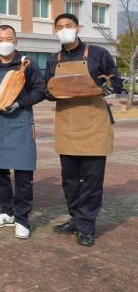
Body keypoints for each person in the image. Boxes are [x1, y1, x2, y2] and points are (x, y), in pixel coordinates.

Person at [44, 13, 121, 246]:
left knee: (91, 180)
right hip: (67, 124)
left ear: (78, 28)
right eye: (60, 27)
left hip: (94, 124)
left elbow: (116, 82)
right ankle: (76, 219)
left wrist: (109, 88)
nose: (64, 29)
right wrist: (50, 92)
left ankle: (87, 226)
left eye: (69, 26)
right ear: (55, 30)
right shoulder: (53, 60)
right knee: (69, 179)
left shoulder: (98, 54)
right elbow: (48, 90)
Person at [0, 24, 46, 240]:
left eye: (8, 38)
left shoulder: (27, 64)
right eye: (0, 39)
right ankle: (7, 211)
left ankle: (22, 219)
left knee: (23, 176)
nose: (4, 42)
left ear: (16, 41)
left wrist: (20, 104)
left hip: (20, 124)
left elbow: (40, 90)